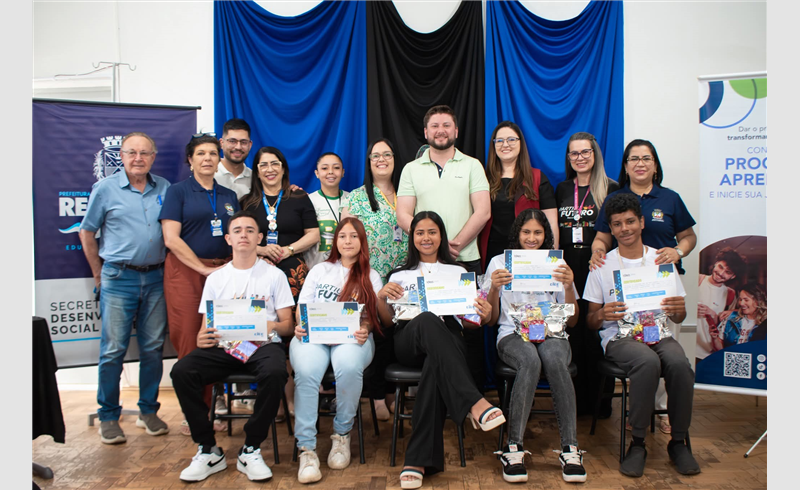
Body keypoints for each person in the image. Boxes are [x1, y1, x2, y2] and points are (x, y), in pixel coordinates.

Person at [377, 211, 501, 489]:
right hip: (409, 339)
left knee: (436, 365)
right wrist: (381, 299)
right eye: (420, 232)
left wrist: (482, 313)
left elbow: (469, 324)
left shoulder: (459, 273)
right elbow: (386, 322)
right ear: (412, 237)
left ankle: (417, 461)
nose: (426, 237)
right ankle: (473, 400)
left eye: (432, 232)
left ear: (441, 236)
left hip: (448, 340)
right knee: (426, 319)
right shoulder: (399, 274)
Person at [170, 210, 294, 482]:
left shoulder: (274, 275)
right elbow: (205, 329)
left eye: (250, 230)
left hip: (262, 345)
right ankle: (208, 449)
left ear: (259, 237)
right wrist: (202, 338)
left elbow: (288, 325)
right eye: (237, 231)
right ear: (228, 239)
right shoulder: (216, 278)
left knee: (276, 372)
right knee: (181, 371)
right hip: (225, 347)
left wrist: (269, 325)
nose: (243, 235)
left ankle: (251, 448)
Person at [583, 193, 700, 478]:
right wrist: (602, 314)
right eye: (617, 224)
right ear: (611, 229)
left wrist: (679, 311)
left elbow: (678, 317)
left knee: (680, 364)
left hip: (658, 333)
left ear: (642, 222)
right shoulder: (601, 265)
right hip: (620, 338)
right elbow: (590, 321)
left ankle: (679, 442)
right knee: (647, 362)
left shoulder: (662, 260)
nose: (625, 228)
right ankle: (637, 443)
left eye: (630, 221)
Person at [590, 139, 697, 433]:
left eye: (646, 158)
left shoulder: (670, 198)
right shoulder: (615, 198)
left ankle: (664, 412)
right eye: (633, 158)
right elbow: (602, 237)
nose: (640, 163)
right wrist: (597, 253)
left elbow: (688, 237)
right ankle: (638, 414)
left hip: (661, 287)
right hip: (624, 284)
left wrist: (678, 252)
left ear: (655, 165)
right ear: (625, 166)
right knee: (644, 359)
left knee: (669, 353)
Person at [79, 132, 171, 444]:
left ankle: (148, 411)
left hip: (157, 278)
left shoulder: (165, 188)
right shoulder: (105, 189)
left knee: (153, 348)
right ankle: (108, 415)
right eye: (132, 152)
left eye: (144, 153)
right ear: (121, 156)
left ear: (153, 157)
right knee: (113, 349)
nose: (138, 158)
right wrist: (98, 275)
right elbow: (87, 232)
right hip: (119, 278)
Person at [484, 209, 586, 483]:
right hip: (512, 334)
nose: (532, 238)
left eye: (538, 232)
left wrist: (569, 286)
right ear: (517, 233)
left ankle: (570, 448)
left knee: (554, 359)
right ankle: (513, 448)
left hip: (552, 332)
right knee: (529, 360)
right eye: (526, 232)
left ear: (546, 235)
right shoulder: (499, 263)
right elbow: (491, 320)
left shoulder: (556, 263)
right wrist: (493, 289)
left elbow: (573, 320)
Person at [396, 104, 490, 391]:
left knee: (470, 331)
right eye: (435, 126)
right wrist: (433, 245)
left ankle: (473, 396)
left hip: (465, 260)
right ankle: (440, 395)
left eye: (446, 125)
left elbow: (483, 211)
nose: (441, 130)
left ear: (456, 131)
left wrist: (454, 244)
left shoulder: (472, 165)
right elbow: (403, 214)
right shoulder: (411, 169)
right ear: (425, 132)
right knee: (431, 328)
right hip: (425, 265)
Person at [160, 133, 240, 434]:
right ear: (190, 160)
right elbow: (171, 239)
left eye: (212, 153)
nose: (207, 158)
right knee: (189, 337)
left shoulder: (228, 195)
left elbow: (236, 235)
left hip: (222, 271)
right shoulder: (178, 192)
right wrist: (202, 269)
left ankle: (216, 403)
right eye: (201, 154)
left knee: (220, 336)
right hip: (186, 272)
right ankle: (194, 411)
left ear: (219, 159)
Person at [291, 217, 381, 483]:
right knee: (306, 372)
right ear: (335, 241)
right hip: (315, 337)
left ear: (362, 241)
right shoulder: (320, 270)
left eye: (354, 236)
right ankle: (306, 449)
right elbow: (302, 307)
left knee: (349, 366)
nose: (348, 241)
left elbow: (372, 317)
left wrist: (366, 328)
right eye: (342, 236)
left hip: (352, 339)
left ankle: (342, 434)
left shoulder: (371, 276)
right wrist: (300, 325)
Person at [240, 146, 320, 419]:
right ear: (257, 170)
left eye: (275, 164)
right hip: (259, 275)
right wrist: (262, 249)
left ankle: (293, 397)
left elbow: (313, 234)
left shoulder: (298, 197)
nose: (270, 169)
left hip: (294, 274)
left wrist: (288, 250)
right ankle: (273, 397)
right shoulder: (247, 202)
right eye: (263, 165)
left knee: (292, 333)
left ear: (284, 168)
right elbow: (241, 237)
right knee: (265, 332)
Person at [342, 138, 409, 421]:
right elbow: (346, 238)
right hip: (371, 278)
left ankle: (395, 393)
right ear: (368, 162)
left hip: (404, 276)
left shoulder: (407, 192)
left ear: (395, 159)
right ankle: (378, 396)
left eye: (387, 155)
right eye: (375, 156)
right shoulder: (356, 197)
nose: (381, 160)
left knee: (399, 335)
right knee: (378, 336)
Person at [555, 132, 619, 415]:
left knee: (596, 332)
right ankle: (573, 403)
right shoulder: (561, 189)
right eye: (574, 153)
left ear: (595, 154)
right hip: (568, 265)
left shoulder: (611, 188)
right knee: (571, 330)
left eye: (585, 152)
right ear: (568, 158)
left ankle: (600, 403)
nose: (579, 158)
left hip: (597, 266)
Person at [479, 121, 559, 273]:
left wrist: (552, 260)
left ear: (521, 143)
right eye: (499, 140)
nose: (505, 144)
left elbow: (551, 223)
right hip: (492, 250)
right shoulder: (482, 178)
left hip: (529, 252)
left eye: (511, 139)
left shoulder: (538, 178)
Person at [696, 247, 747, 363]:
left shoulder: (730, 293)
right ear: (715, 263)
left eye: (728, 272)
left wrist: (716, 313)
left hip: (709, 350)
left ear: (733, 276)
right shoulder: (698, 279)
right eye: (720, 267)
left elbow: (727, 323)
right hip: (688, 344)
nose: (721, 273)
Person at [304, 152, 350, 270]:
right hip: (316, 270)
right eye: (324, 168)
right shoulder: (308, 201)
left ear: (343, 172)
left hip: (347, 270)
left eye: (336, 168)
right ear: (317, 173)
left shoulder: (353, 199)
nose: (330, 172)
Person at [713, 282, 767, 349]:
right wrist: (714, 338)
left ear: (758, 301)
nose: (741, 303)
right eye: (740, 299)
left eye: (746, 300)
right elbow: (720, 348)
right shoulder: (730, 318)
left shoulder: (765, 323)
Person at [214, 118, 254, 200]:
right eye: (232, 141)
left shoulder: (255, 179)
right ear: (221, 143)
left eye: (243, 142)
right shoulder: (210, 175)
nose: (238, 147)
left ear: (250, 145)